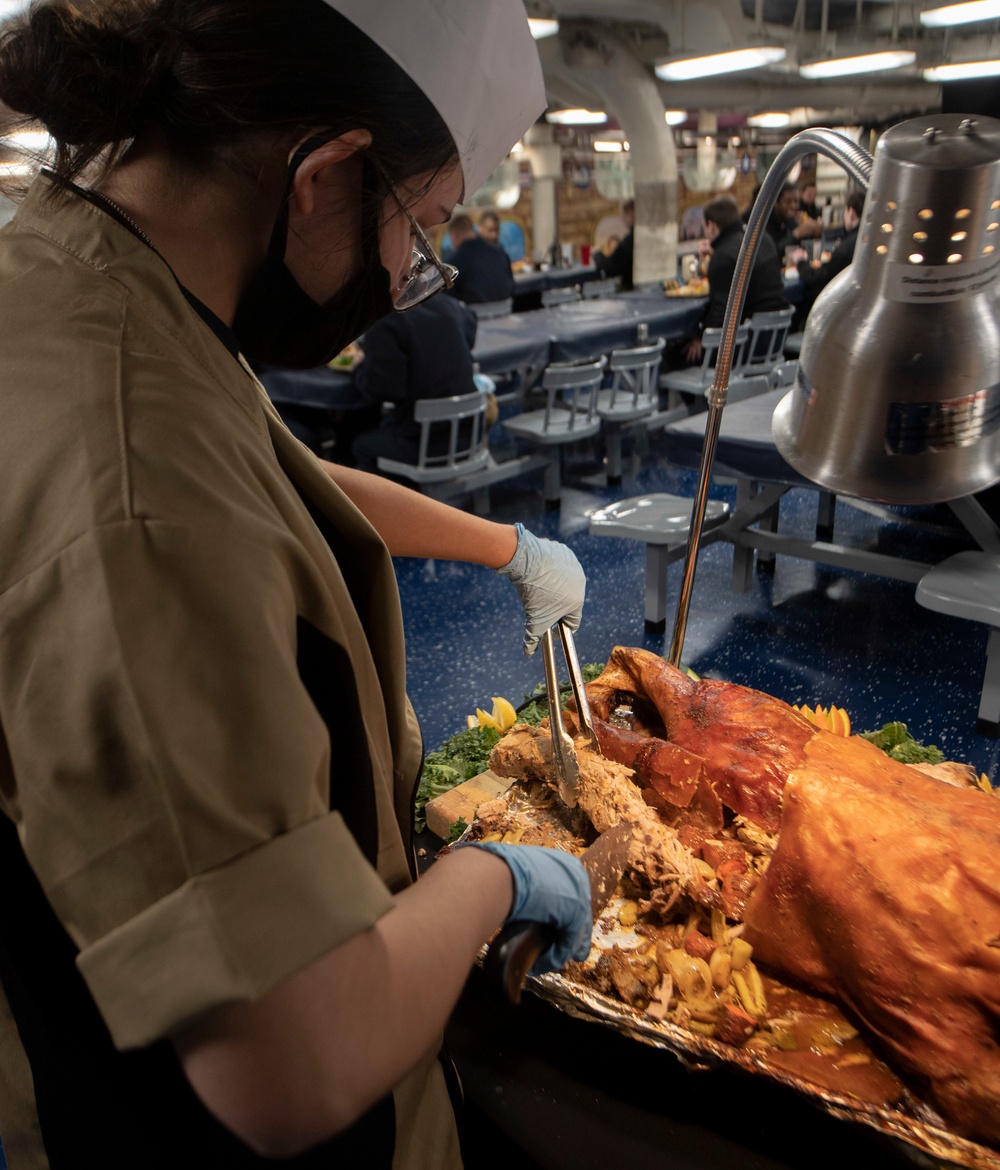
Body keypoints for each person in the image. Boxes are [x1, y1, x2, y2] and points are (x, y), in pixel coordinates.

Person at [0, 2, 593, 1167]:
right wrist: (494, 875)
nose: (400, 274)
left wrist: (502, 548)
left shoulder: (84, 275)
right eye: (417, 233)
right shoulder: (133, 475)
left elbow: (262, 470)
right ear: (325, 175)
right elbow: (295, 1058)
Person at [350, 293, 481, 471]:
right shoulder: (448, 304)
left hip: (424, 444)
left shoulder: (385, 320)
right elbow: (471, 324)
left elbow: (383, 389)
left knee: (359, 445)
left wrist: (357, 368)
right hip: (471, 434)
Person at [683, 195, 788, 363]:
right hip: (776, 341)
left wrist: (700, 336)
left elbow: (721, 313)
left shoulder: (724, 256)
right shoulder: (764, 239)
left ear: (711, 225)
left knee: (680, 356)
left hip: (746, 346)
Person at [787, 189, 865, 324]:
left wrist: (801, 261)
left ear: (851, 212)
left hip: (829, 312)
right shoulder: (862, 241)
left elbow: (816, 278)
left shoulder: (847, 248)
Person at [445, 212, 514, 303]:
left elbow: (446, 297)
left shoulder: (455, 263)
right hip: (505, 313)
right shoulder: (501, 254)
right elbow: (512, 287)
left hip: (476, 315)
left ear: (454, 235)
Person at [765, 182, 821, 255]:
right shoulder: (765, 224)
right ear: (776, 203)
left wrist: (814, 233)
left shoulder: (791, 221)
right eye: (788, 202)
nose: (793, 206)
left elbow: (802, 245)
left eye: (796, 201)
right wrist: (797, 233)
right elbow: (773, 252)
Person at [593, 197, 634, 290]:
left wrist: (597, 254)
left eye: (623, 216)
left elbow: (610, 268)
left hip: (632, 291)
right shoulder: (641, 237)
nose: (622, 220)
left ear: (630, 215)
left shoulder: (629, 242)